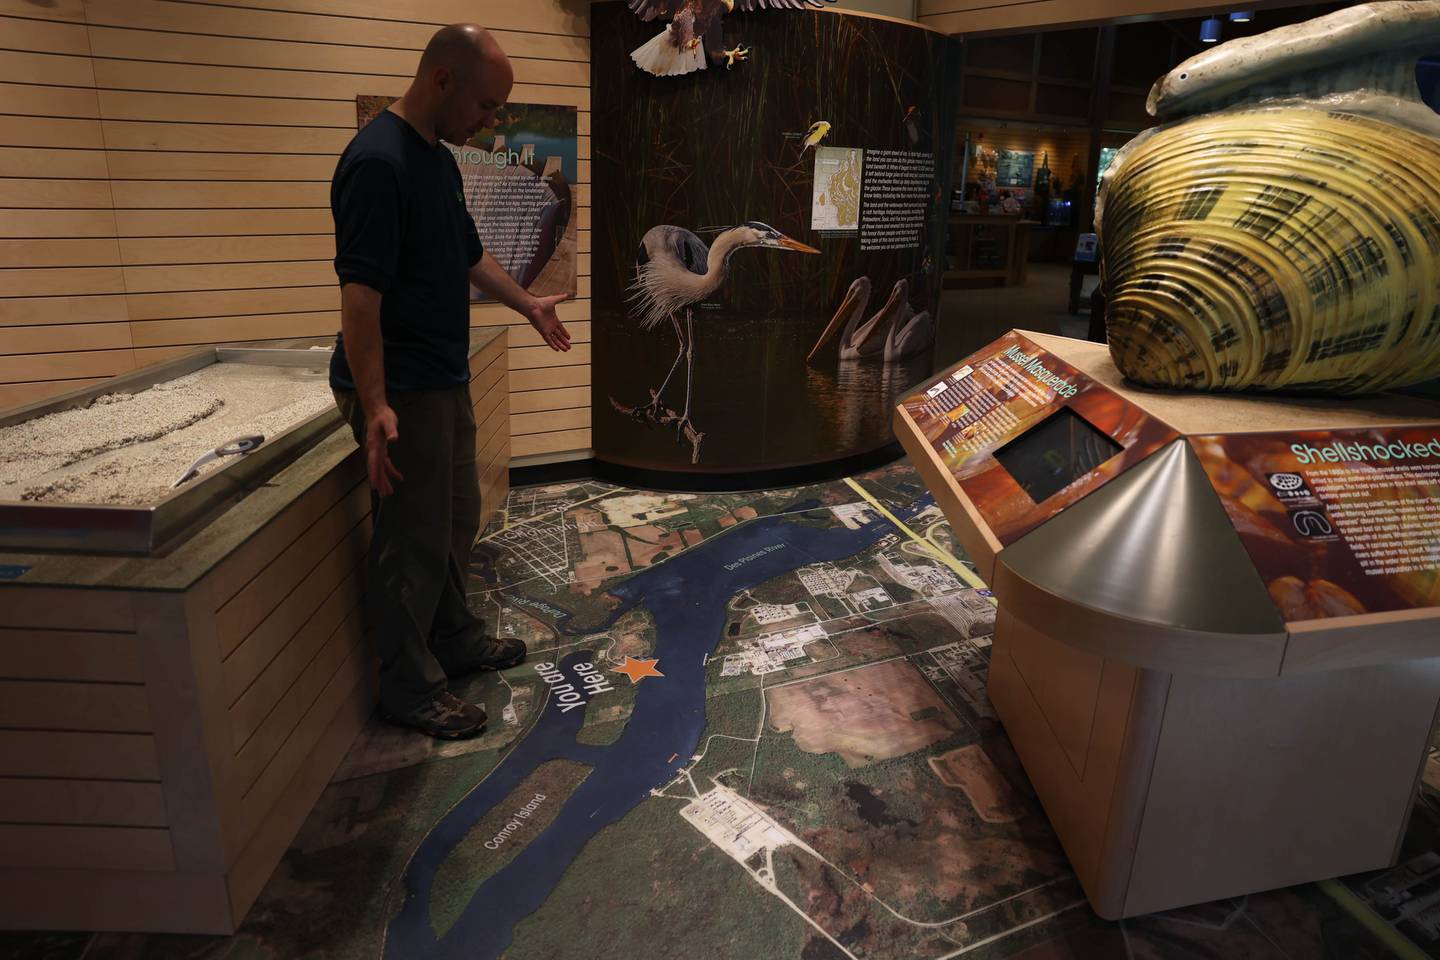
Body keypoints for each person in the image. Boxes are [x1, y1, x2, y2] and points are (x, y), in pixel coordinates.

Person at [329, 24, 572, 740]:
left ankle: (453, 634)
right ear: (442, 80)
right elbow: (359, 296)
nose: (491, 121)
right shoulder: (378, 162)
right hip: (401, 389)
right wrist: (375, 405)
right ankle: (408, 686)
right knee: (410, 540)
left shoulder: (435, 158)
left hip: (442, 375)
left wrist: (527, 303)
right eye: (488, 105)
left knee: (456, 517)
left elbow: (468, 251)